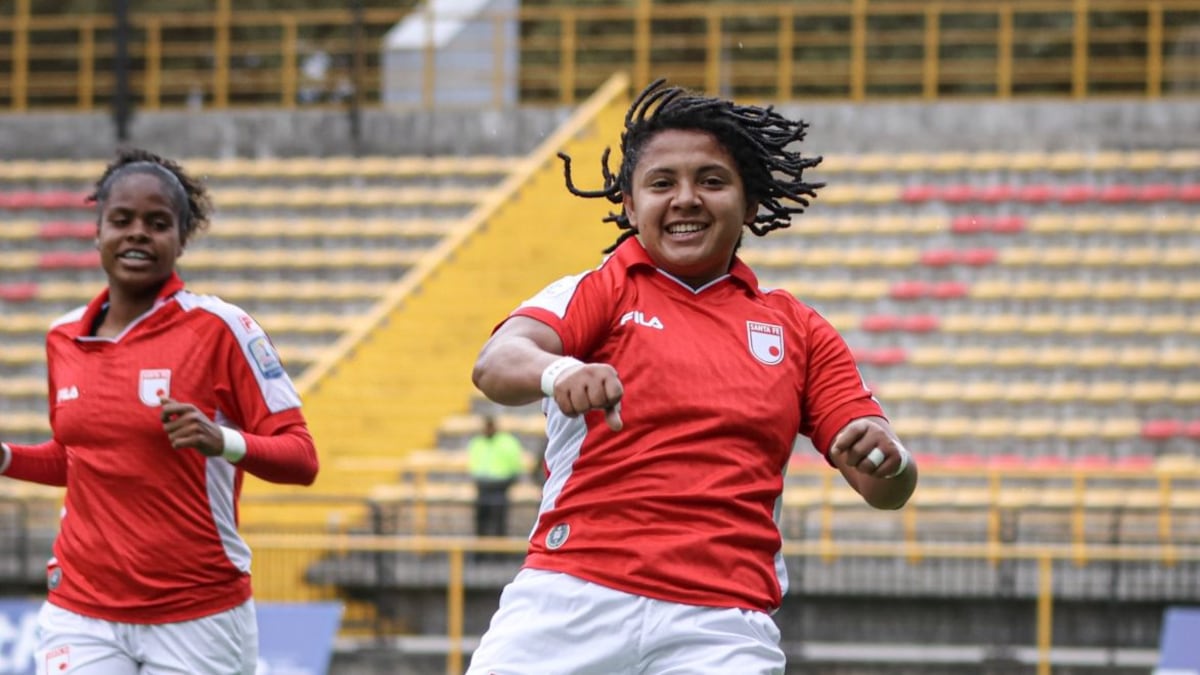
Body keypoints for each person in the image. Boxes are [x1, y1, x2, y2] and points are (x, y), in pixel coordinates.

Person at [468, 79, 919, 674]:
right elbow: (497, 362)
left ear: (750, 203)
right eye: (662, 184)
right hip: (569, 599)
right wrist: (558, 372)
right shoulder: (600, 289)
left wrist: (891, 458)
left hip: (721, 626)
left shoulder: (799, 329)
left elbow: (887, 490)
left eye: (711, 180)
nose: (686, 199)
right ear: (630, 205)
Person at [0, 149, 320, 674]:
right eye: (121, 220)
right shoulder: (63, 337)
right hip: (81, 610)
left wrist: (222, 441)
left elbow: (301, 458)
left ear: (181, 237)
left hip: (197, 614)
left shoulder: (221, 328)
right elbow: (80, 458)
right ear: (98, 230)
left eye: (157, 223)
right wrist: (8, 457)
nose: (137, 234)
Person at [467, 414, 527, 554]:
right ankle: (480, 553)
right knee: (481, 521)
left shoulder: (506, 442)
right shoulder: (477, 442)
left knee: (499, 520)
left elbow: (514, 463)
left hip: (501, 486)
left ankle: (499, 554)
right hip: (482, 486)